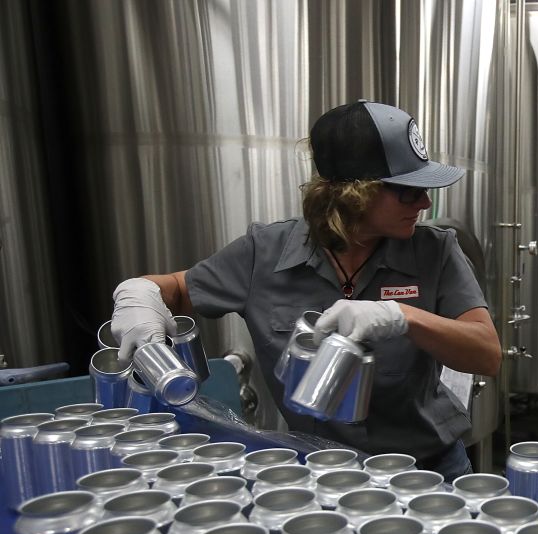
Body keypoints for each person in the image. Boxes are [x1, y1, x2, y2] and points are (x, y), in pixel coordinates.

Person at [110, 100, 502, 481]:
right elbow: (176, 287)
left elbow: (486, 353)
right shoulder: (263, 253)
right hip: (318, 475)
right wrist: (139, 294)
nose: (425, 202)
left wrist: (403, 317)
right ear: (356, 192)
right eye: (408, 191)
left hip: (426, 471)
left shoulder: (435, 251)